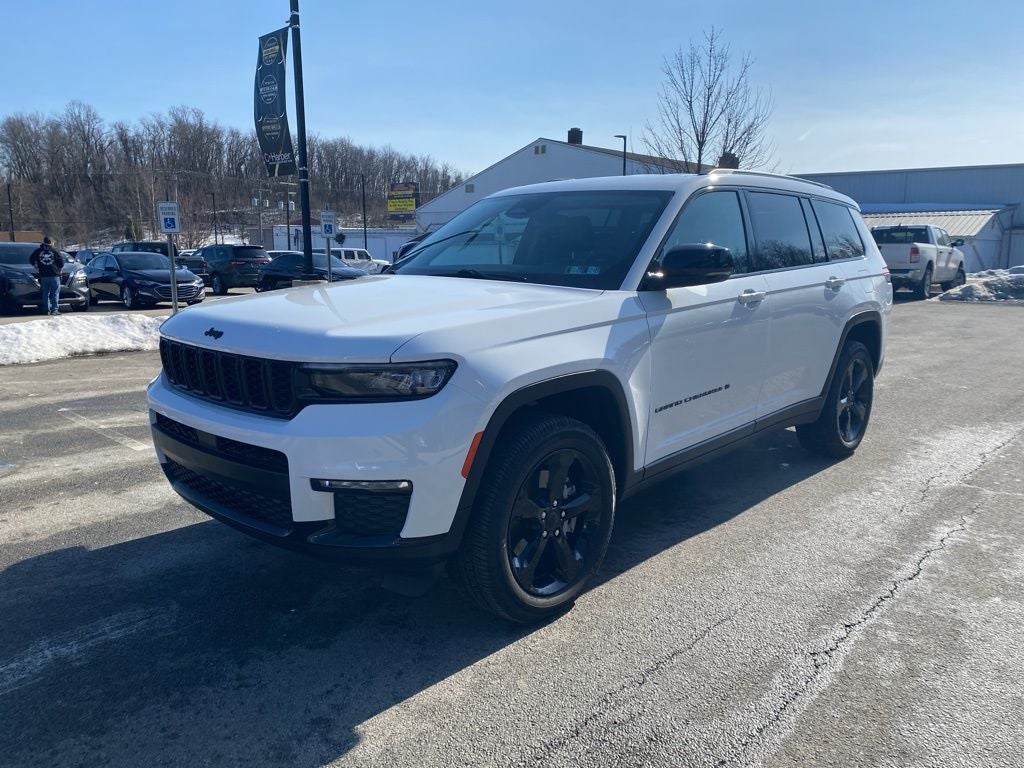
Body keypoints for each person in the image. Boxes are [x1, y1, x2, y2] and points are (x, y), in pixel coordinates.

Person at [29, 237, 64, 316]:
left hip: (43, 275)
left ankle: (46, 310)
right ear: (51, 242)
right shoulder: (55, 251)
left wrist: (36, 266)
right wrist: (59, 269)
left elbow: (31, 260)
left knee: (45, 293)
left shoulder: (38, 251)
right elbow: (61, 263)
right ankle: (54, 310)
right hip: (54, 275)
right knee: (55, 292)